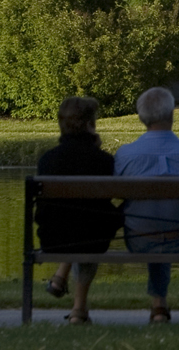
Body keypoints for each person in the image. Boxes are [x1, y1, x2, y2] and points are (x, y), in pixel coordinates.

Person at [115, 86, 179, 323]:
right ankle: (163, 301)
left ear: (141, 118)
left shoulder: (125, 154)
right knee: (169, 219)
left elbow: (117, 195)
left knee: (152, 220)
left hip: (139, 239)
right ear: (171, 115)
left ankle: (159, 306)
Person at [35, 95, 121, 325]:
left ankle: (61, 281)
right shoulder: (103, 161)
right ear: (90, 124)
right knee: (90, 223)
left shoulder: (47, 160)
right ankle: (78, 309)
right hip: (93, 238)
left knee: (77, 223)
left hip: (52, 239)